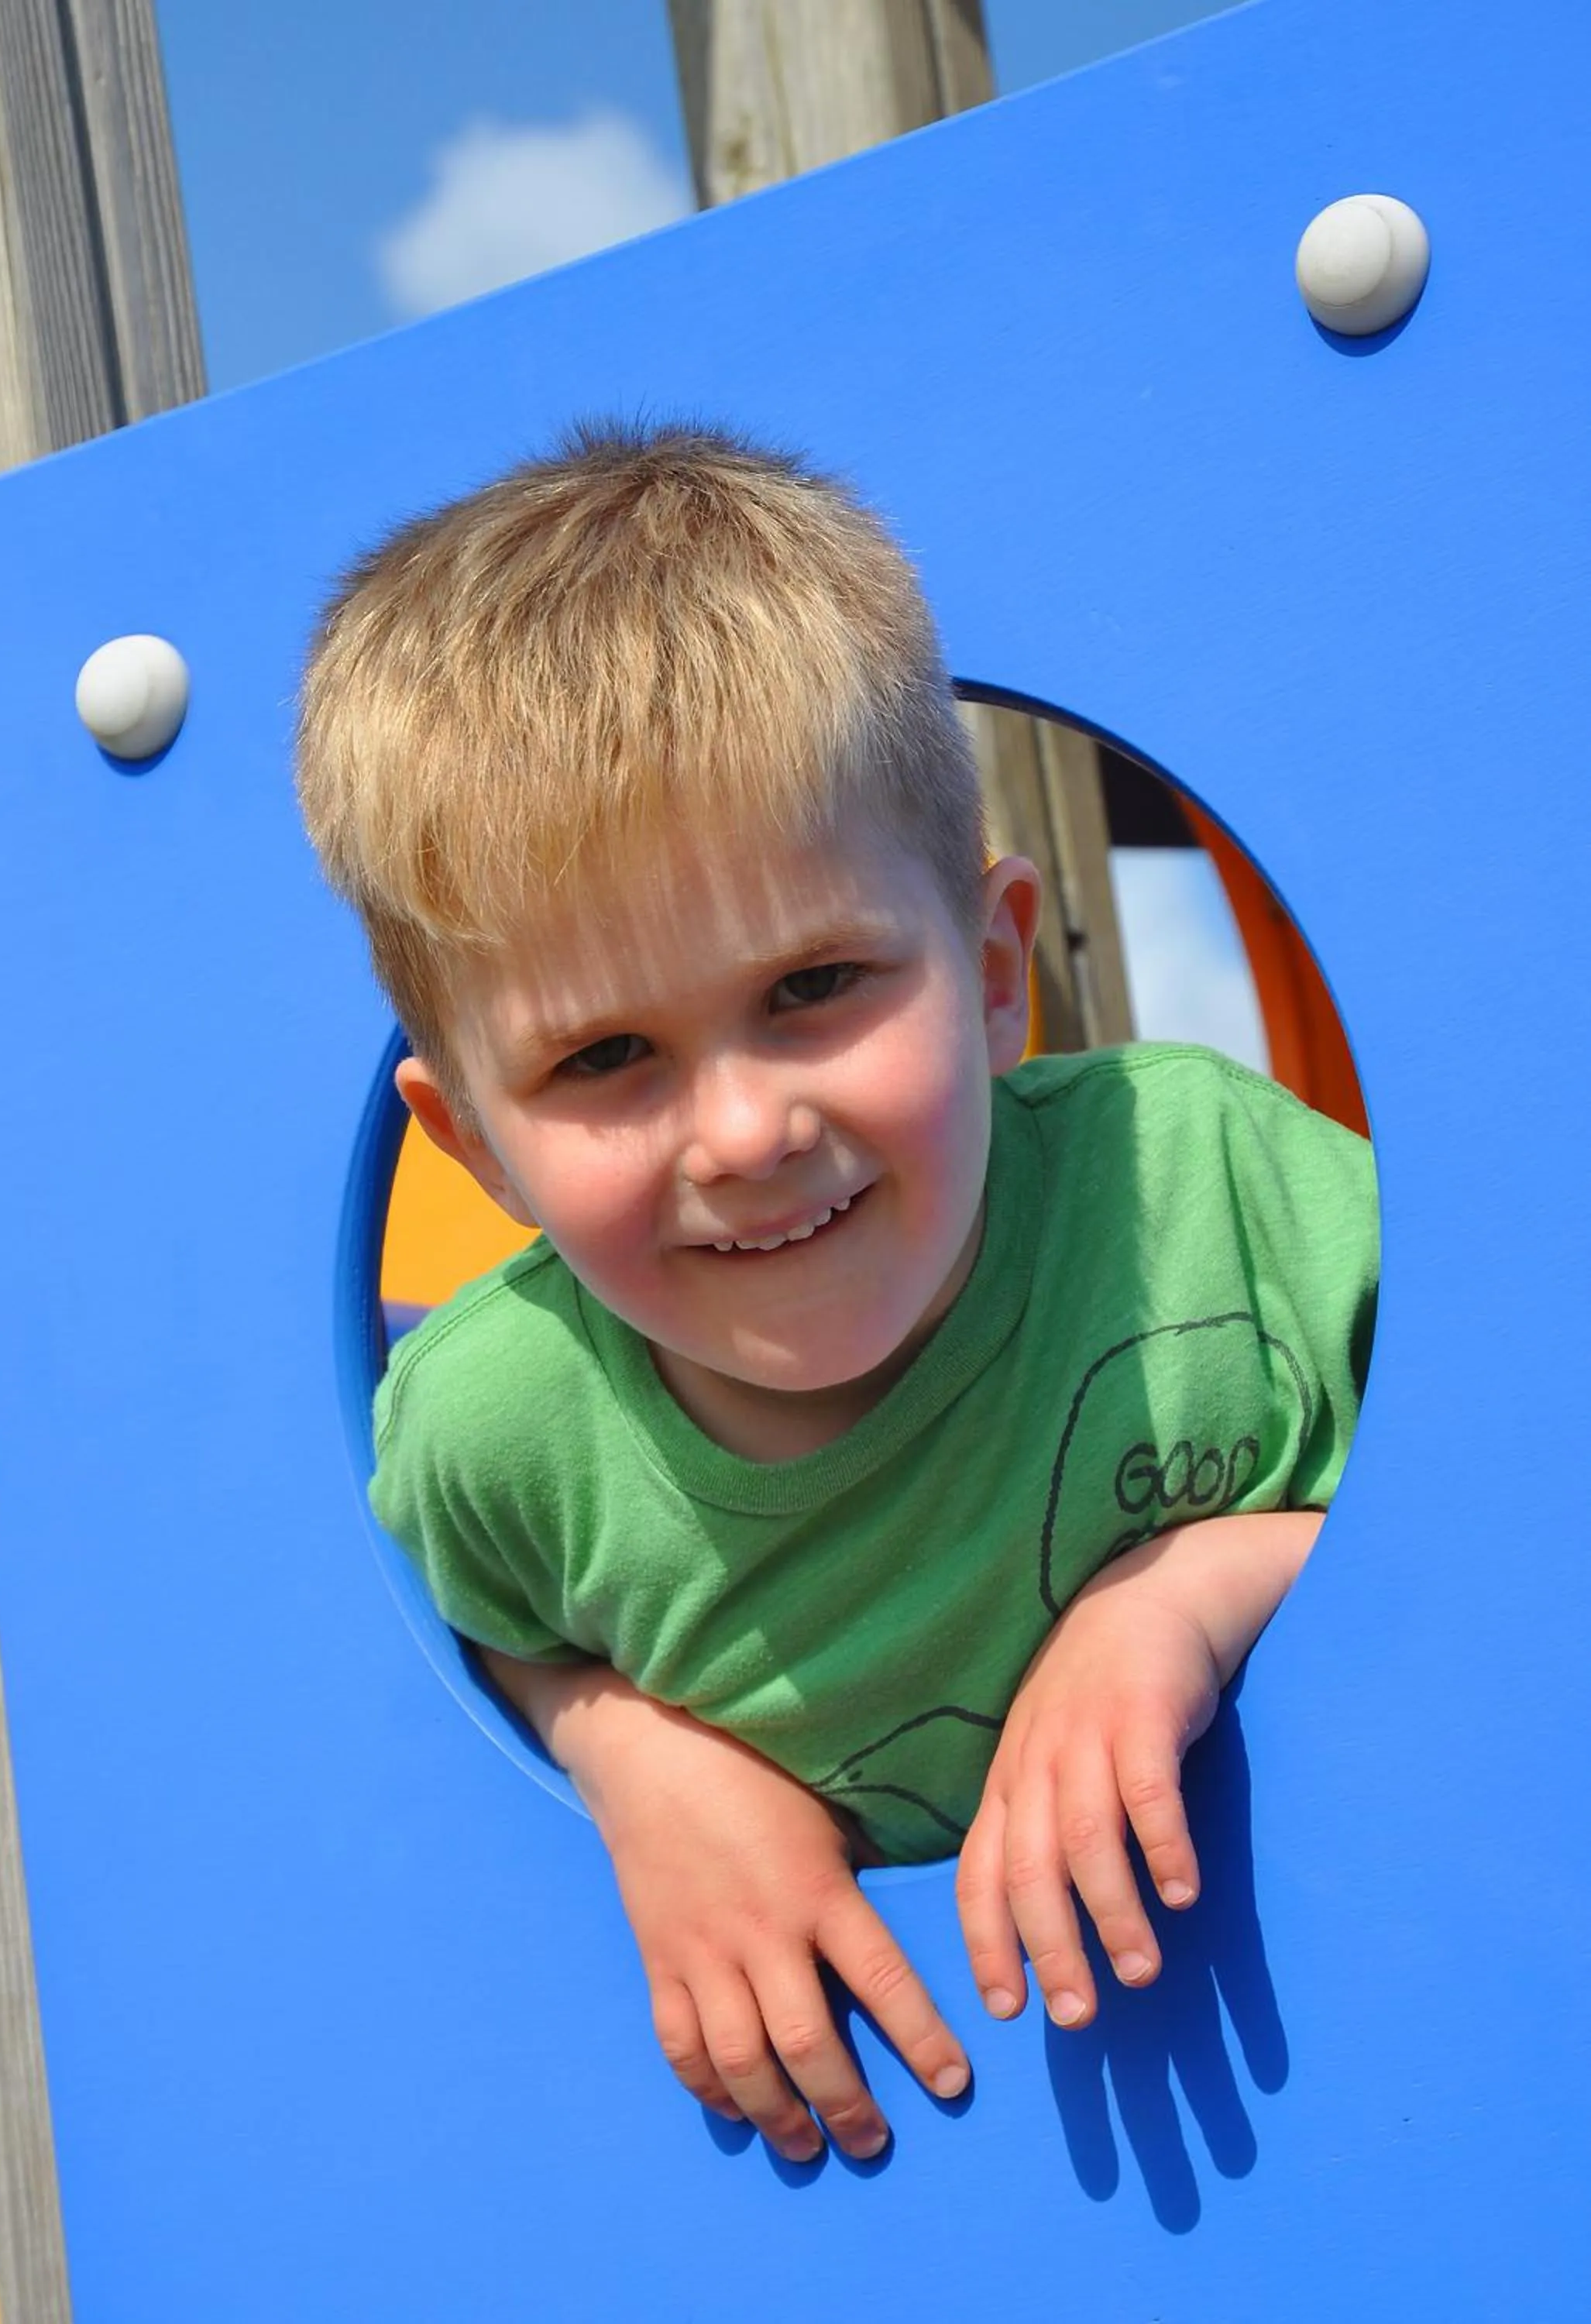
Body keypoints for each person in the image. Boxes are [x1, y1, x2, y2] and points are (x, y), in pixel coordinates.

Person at [296, 421, 1376, 2169]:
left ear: (996, 969)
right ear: (476, 1147)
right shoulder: (498, 1434)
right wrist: (627, 1755)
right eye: (604, 1058)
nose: (744, 1133)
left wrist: (1187, 1590)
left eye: (812, 986)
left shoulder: (1207, 1188)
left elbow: (1516, 1455)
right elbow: (476, 1632)